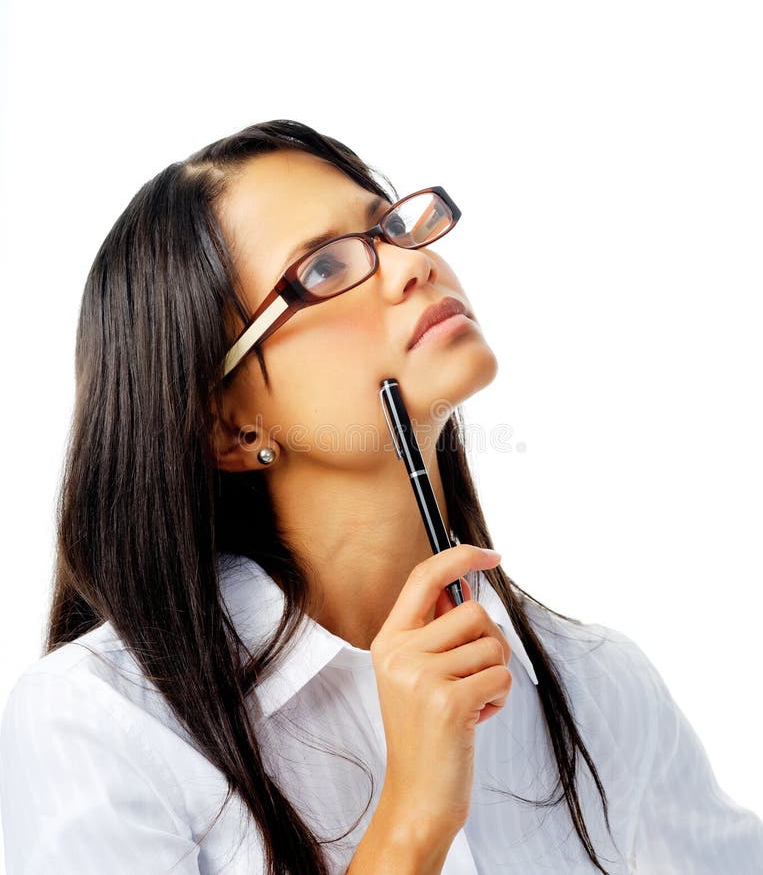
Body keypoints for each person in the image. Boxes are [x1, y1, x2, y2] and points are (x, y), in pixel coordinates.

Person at [0, 119, 761, 875]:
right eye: (324, 270)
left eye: (390, 227)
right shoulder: (97, 724)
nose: (410, 266)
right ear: (229, 427)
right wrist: (411, 822)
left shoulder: (598, 685)